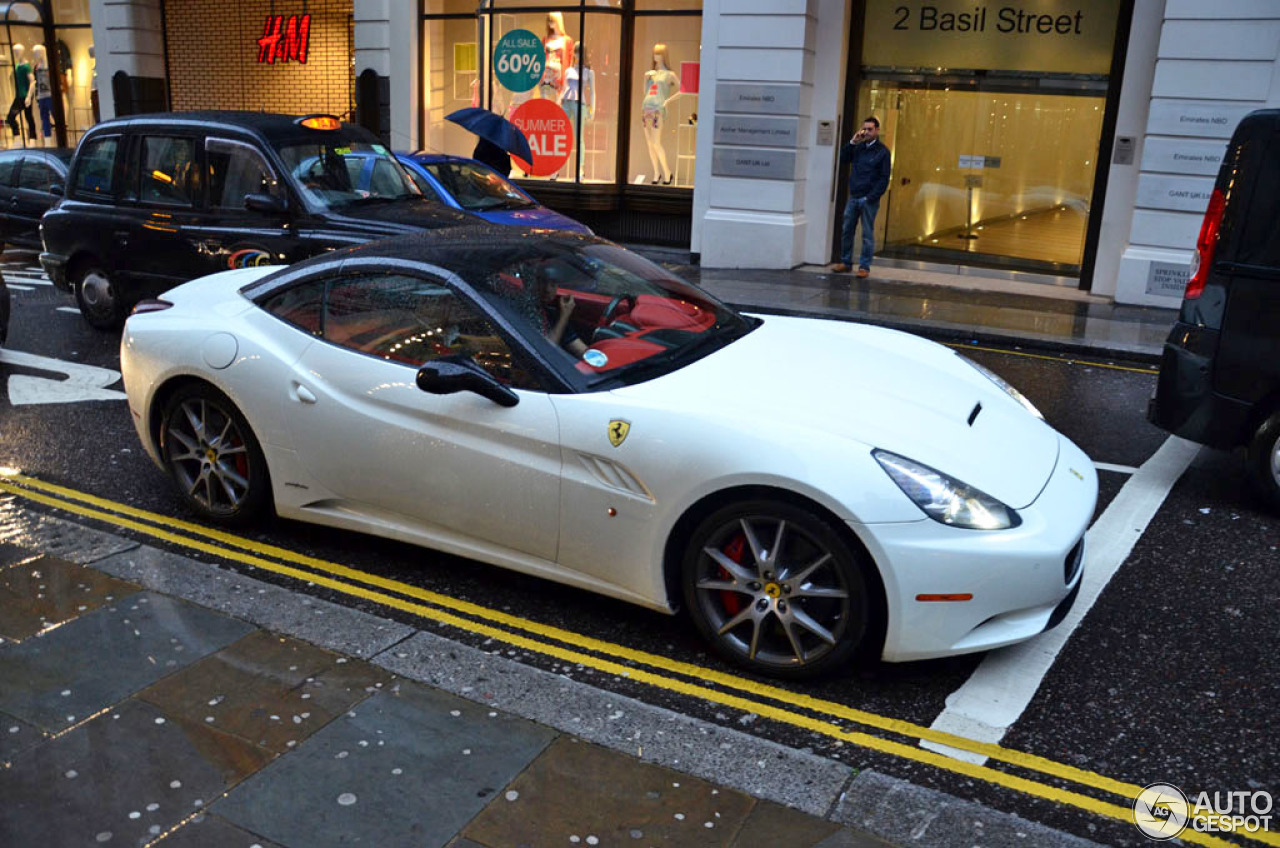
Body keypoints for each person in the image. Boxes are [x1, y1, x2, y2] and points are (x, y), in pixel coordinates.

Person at [831, 116, 891, 277]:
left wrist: (870, 197)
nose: (867, 132)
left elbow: (884, 179)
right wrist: (852, 142)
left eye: (870, 129)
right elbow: (843, 158)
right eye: (865, 129)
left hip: (868, 199)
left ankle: (864, 266)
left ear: (877, 130)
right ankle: (845, 262)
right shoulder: (858, 148)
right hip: (854, 196)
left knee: (867, 233)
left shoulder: (882, 152)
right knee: (847, 230)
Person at [539, 273, 587, 357]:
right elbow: (544, 352)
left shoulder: (554, 314)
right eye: (542, 283)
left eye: (553, 285)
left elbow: (580, 349)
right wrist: (564, 315)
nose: (547, 289)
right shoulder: (524, 309)